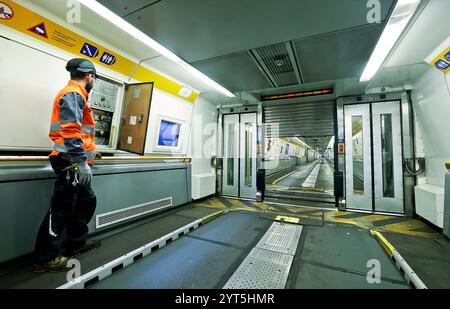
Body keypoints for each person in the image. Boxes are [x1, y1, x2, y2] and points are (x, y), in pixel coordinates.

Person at [34, 58, 102, 273]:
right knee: (61, 208)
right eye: (94, 78)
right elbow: (71, 130)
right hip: (69, 161)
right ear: (89, 76)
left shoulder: (77, 94)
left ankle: (75, 243)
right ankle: (46, 257)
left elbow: (80, 133)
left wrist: (91, 152)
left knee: (86, 199)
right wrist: (81, 162)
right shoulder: (72, 94)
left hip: (75, 158)